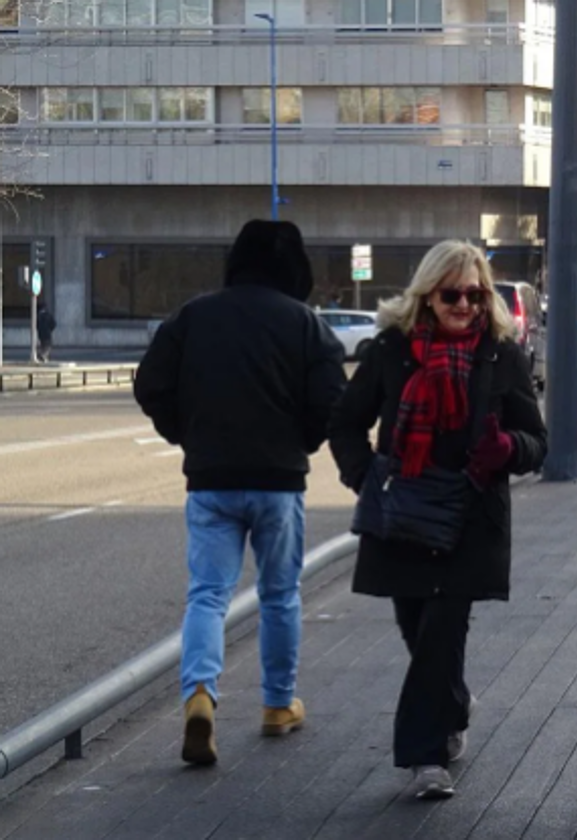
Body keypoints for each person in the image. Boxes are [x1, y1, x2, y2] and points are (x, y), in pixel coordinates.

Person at [327, 240, 547, 801]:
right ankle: (451, 705)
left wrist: (508, 449)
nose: (467, 305)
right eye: (454, 294)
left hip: (472, 514)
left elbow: (537, 442)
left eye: (477, 294)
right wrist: (365, 476)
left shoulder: (501, 354)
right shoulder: (391, 352)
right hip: (405, 511)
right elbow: (346, 423)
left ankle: (425, 760)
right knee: (417, 627)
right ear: (428, 294)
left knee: (441, 629)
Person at [134, 220, 347, 766]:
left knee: (207, 593)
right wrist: (300, 440)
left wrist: (188, 434)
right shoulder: (306, 325)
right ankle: (278, 706)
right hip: (279, 482)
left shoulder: (193, 316)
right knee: (280, 594)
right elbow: (331, 401)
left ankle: (200, 695)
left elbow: (151, 383)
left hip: (211, 480)